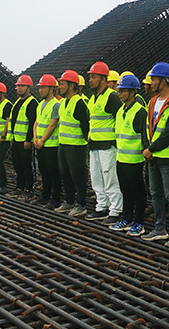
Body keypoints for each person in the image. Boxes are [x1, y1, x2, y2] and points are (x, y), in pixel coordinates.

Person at [141, 62, 169, 249]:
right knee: (156, 194)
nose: (151, 83)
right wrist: (147, 148)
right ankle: (160, 229)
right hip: (152, 156)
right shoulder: (152, 102)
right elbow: (147, 129)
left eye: (154, 79)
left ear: (164, 81)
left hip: (167, 156)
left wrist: (151, 149)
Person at [109, 74, 149, 236]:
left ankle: (139, 222)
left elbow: (145, 136)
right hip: (121, 159)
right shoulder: (120, 111)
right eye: (119, 90)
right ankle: (126, 218)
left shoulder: (140, 112)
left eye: (122, 91)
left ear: (132, 92)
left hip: (135, 160)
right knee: (125, 190)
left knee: (137, 192)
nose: (119, 93)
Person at [86, 61, 123, 225]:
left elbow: (120, 120)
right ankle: (102, 206)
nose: (90, 80)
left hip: (108, 146)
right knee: (96, 178)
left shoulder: (112, 97)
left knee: (110, 179)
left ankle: (115, 210)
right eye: (90, 77)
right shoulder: (93, 98)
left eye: (94, 77)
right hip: (94, 145)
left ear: (103, 79)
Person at [55, 70, 90, 217]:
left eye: (63, 84)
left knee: (78, 176)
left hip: (76, 146)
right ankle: (68, 201)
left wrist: (85, 141)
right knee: (65, 174)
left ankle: (80, 204)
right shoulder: (63, 103)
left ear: (71, 86)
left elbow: (85, 126)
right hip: (63, 144)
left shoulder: (79, 103)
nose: (60, 87)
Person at [33, 74, 62, 209]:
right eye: (40, 87)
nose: (40, 90)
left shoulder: (56, 104)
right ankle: (45, 196)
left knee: (53, 173)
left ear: (51, 89)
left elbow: (52, 125)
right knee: (44, 171)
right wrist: (35, 138)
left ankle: (55, 198)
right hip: (40, 144)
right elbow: (36, 122)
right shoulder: (40, 105)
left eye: (43, 87)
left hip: (51, 145)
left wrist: (42, 140)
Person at [9, 75, 38, 200]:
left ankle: (29, 189)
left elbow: (32, 123)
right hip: (16, 139)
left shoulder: (32, 103)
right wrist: (12, 136)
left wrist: (28, 140)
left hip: (25, 141)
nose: (19, 88)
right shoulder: (17, 102)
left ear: (29, 88)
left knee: (27, 166)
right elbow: (14, 121)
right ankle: (19, 187)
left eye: (22, 86)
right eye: (18, 86)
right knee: (18, 165)